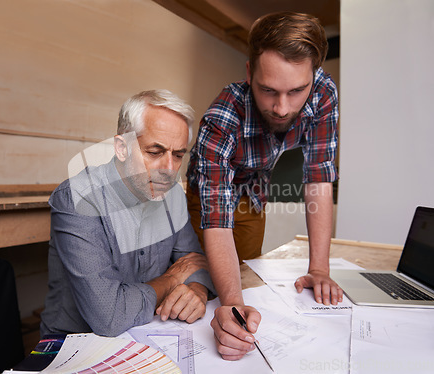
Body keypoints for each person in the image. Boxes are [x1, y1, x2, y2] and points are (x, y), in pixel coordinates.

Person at [186, 12, 343, 360]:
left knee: (246, 276)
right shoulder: (221, 119)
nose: (282, 108)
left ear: (313, 77)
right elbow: (217, 219)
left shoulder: (324, 94)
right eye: (268, 90)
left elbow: (318, 176)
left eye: (296, 90)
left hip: (255, 193)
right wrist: (232, 310)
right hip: (208, 197)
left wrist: (319, 269)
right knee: (206, 286)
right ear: (249, 74)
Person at [41, 89, 215, 338]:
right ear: (122, 148)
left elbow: (195, 260)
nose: (169, 169)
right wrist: (174, 277)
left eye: (178, 155)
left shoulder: (173, 195)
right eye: (154, 152)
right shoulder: (77, 198)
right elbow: (109, 316)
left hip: (148, 332)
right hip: (73, 344)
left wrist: (197, 290)